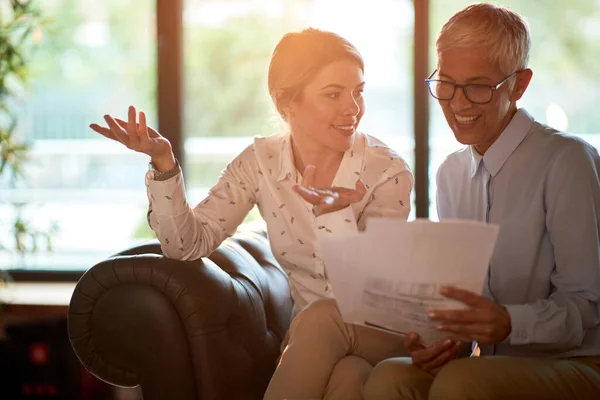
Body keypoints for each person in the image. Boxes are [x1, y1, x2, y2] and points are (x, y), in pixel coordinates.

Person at [89, 28, 414, 399]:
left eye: (358, 92)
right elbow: (186, 246)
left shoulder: (387, 171)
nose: (353, 108)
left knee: (325, 321)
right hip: (316, 341)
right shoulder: (259, 163)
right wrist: (162, 163)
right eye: (334, 94)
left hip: (383, 333)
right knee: (348, 376)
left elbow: (363, 293)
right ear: (286, 103)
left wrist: (335, 216)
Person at [362, 4, 600, 400]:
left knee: (463, 382)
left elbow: (588, 305)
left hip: (581, 360)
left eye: (478, 87)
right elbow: (467, 298)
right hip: (493, 362)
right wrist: (442, 340)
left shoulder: (568, 161)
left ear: (519, 85)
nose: (457, 104)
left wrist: (510, 323)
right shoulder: (450, 175)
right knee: (390, 377)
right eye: (446, 84)